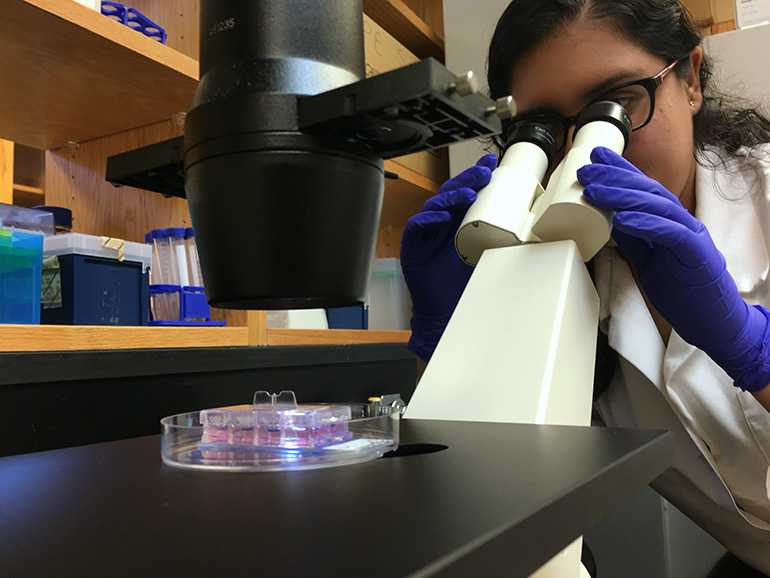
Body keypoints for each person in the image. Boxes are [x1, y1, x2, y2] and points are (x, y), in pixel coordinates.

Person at [400, 0, 770, 575]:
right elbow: (472, 493)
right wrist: (445, 345)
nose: (586, 152)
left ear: (690, 79)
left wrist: (753, 349)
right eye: (543, 129)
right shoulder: (548, 262)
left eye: (617, 105)